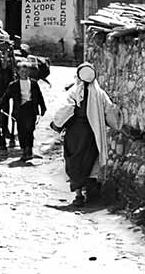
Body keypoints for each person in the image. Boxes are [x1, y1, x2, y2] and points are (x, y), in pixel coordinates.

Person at [50, 62, 120, 206]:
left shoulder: (74, 92)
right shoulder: (100, 94)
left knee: (75, 160)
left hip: (75, 134)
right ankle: (91, 193)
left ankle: (78, 195)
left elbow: (66, 110)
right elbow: (111, 112)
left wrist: (56, 125)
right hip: (93, 134)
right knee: (90, 160)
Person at [0, 67, 46, 161]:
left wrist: (43, 108)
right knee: (21, 131)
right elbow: (6, 97)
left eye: (26, 71)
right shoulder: (14, 85)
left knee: (30, 130)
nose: (24, 73)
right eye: (22, 71)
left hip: (31, 109)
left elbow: (39, 96)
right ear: (18, 72)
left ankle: (29, 150)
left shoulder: (34, 83)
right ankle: (24, 150)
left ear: (29, 72)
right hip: (20, 110)